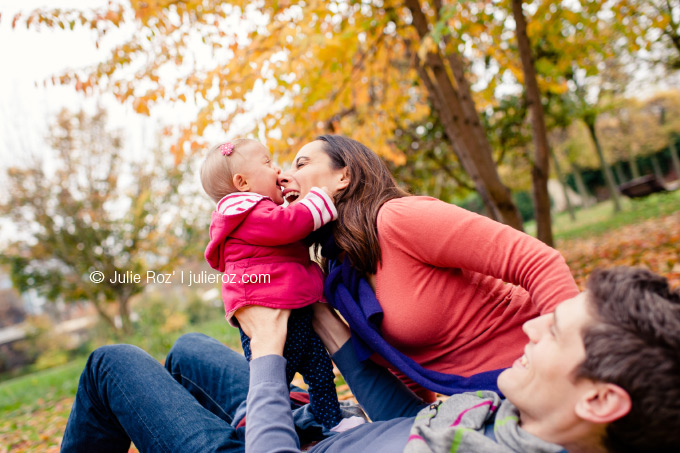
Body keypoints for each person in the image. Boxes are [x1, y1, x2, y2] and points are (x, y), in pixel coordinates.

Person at [61, 267, 680, 452]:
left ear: (598, 398)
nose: (531, 322)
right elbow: (402, 425)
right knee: (188, 349)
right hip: (323, 429)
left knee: (111, 362)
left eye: (554, 331)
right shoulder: (508, 421)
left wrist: (270, 355)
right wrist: (337, 339)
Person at [278, 135, 581, 400]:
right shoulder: (341, 268)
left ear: (344, 177)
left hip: (547, 371)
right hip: (488, 400)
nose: (285, 177)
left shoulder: (398, 218)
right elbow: (409, 361)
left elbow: (538, 262)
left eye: (301, 165)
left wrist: (573, 361)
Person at [199, 138, 344, 429]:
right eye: (267, 163)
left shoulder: (261, 211)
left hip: (293, 309)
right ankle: (264, 427)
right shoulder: (244, 212)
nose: (276, 169)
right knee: (275, 377)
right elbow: (287, 225)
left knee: (319, 368)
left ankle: (332, 421)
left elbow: (291, 234)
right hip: (270, 310)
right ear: (242, 183)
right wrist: (319, 199)